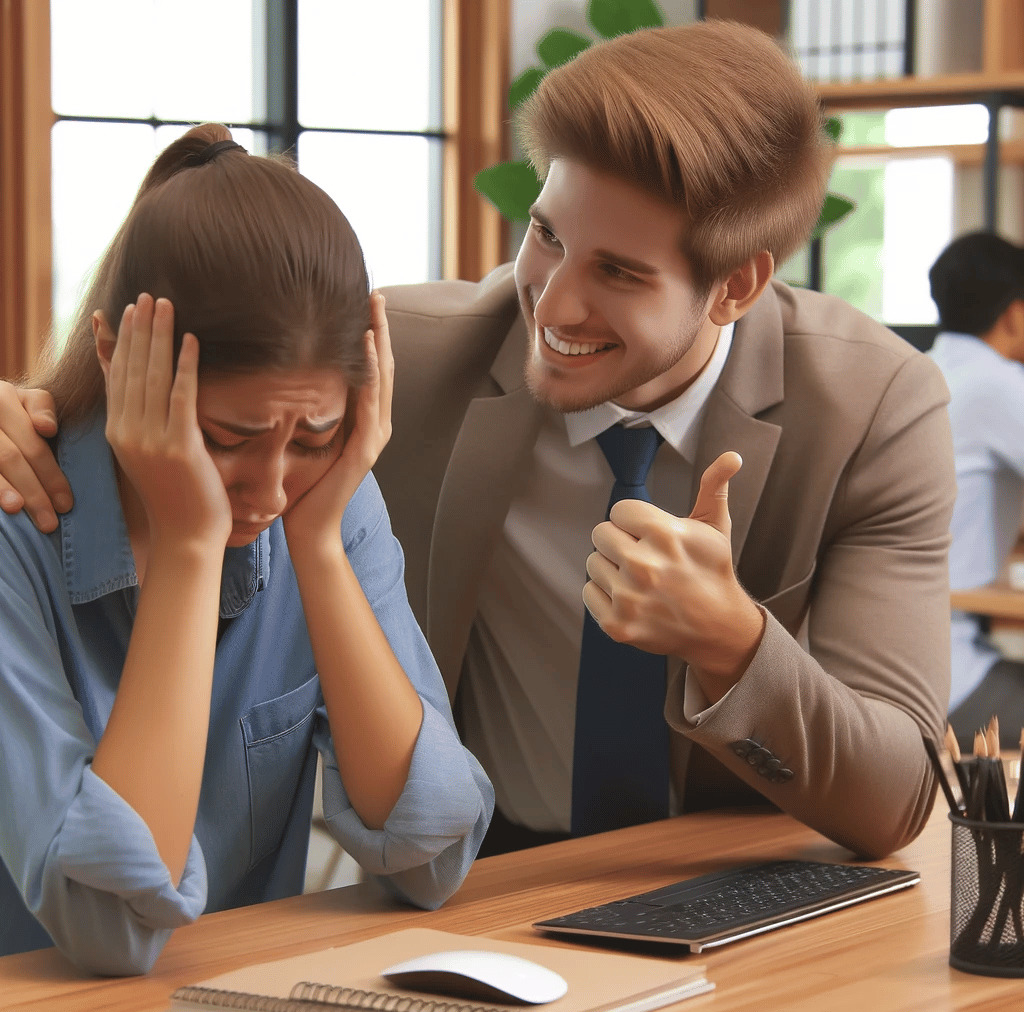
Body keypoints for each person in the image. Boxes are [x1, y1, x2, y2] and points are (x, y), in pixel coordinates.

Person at [0, 23, 953, 863]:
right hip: (487, 884)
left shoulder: (872, 410)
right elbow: (146, 385)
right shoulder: (402, 359)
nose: (554, 303)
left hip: (722, 876)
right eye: (546, 233)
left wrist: (734, 641)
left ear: (736, 287)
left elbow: (901, 796)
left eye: (618, 272)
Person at [0, 123, 492, 973]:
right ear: (121, 360)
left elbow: (432, 854)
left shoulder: (323, 504)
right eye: (229, 437)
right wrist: (193, 547)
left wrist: (323, 549)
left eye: (315, 434)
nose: (269, 489)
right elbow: (112, 927)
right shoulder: (16, 532)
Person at [927, 231, 1024, 749]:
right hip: (946, 682)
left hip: (884, 672)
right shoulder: (997, 383)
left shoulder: (923, 371)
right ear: (1013, 313)